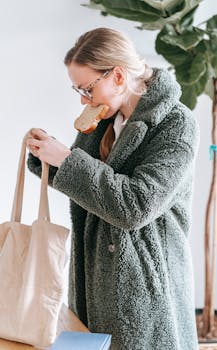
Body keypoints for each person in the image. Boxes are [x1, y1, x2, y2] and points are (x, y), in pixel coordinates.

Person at [25, 27, 199, 350]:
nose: (83, 99)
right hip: (93, 282)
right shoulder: (105, 119)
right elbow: (88, 185)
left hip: (146, 293)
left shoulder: (177, 125)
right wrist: (46, 157)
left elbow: (135, 205)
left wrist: (66, 159)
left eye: (87, 89)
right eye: (77, 89)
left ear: (118, 76)